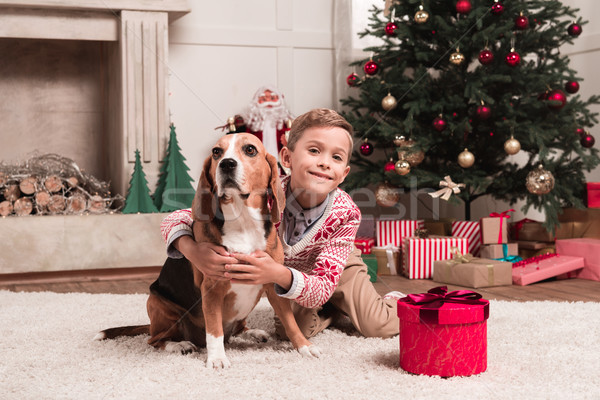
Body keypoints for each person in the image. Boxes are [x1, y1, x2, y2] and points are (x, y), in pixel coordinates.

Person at [160, 108, 401, 339]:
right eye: (314, 151)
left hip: (337, 268)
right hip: (294, 275)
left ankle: (396, 301)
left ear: (344, 173)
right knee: (290, 331)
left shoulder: (346, 213)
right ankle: (332, 310)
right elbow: (178, 217)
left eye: (336, 157)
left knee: (377, 325)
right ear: (287, 157)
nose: (325, 163)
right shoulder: (263, 192)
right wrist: (192, 251)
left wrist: (276, 273)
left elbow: (323, 283)